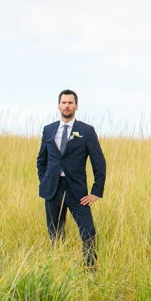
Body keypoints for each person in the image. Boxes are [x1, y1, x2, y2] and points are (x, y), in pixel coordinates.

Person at [37, 89, 106, 268]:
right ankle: (58, 271)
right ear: (58, 105)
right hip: (53, 190)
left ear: (76, 105)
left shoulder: (86, 131)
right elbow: (41, 160)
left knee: (88, 231)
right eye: (64, 102)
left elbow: (99, 163)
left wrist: (96, 192)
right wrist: (44, 182)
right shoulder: (48, 130)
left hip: (77, 191)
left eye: (70, 103)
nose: (67, 106)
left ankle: (90, 270)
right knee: (55, 234)